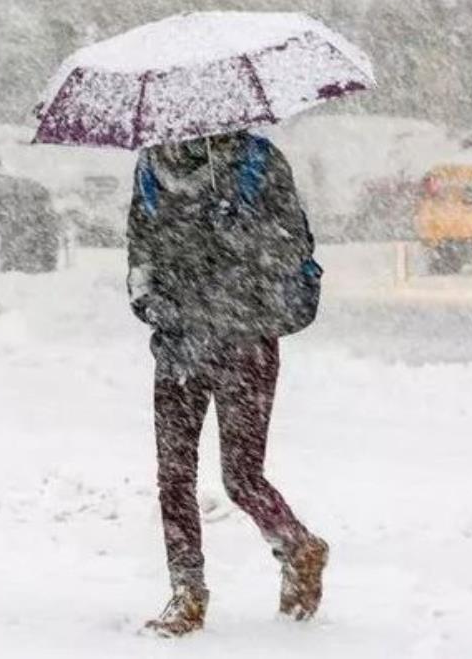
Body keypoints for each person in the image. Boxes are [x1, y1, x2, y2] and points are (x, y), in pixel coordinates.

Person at [127, 132, 328, 637]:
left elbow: (293, 245)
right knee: (174, 474)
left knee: (241, 476)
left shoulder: (257, 162)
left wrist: (238, 239)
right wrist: (153, 304)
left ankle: (298, 546)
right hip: (180, 341)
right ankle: (187, 593)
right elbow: (140, 254)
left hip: (246, 339)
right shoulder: (152, 166)